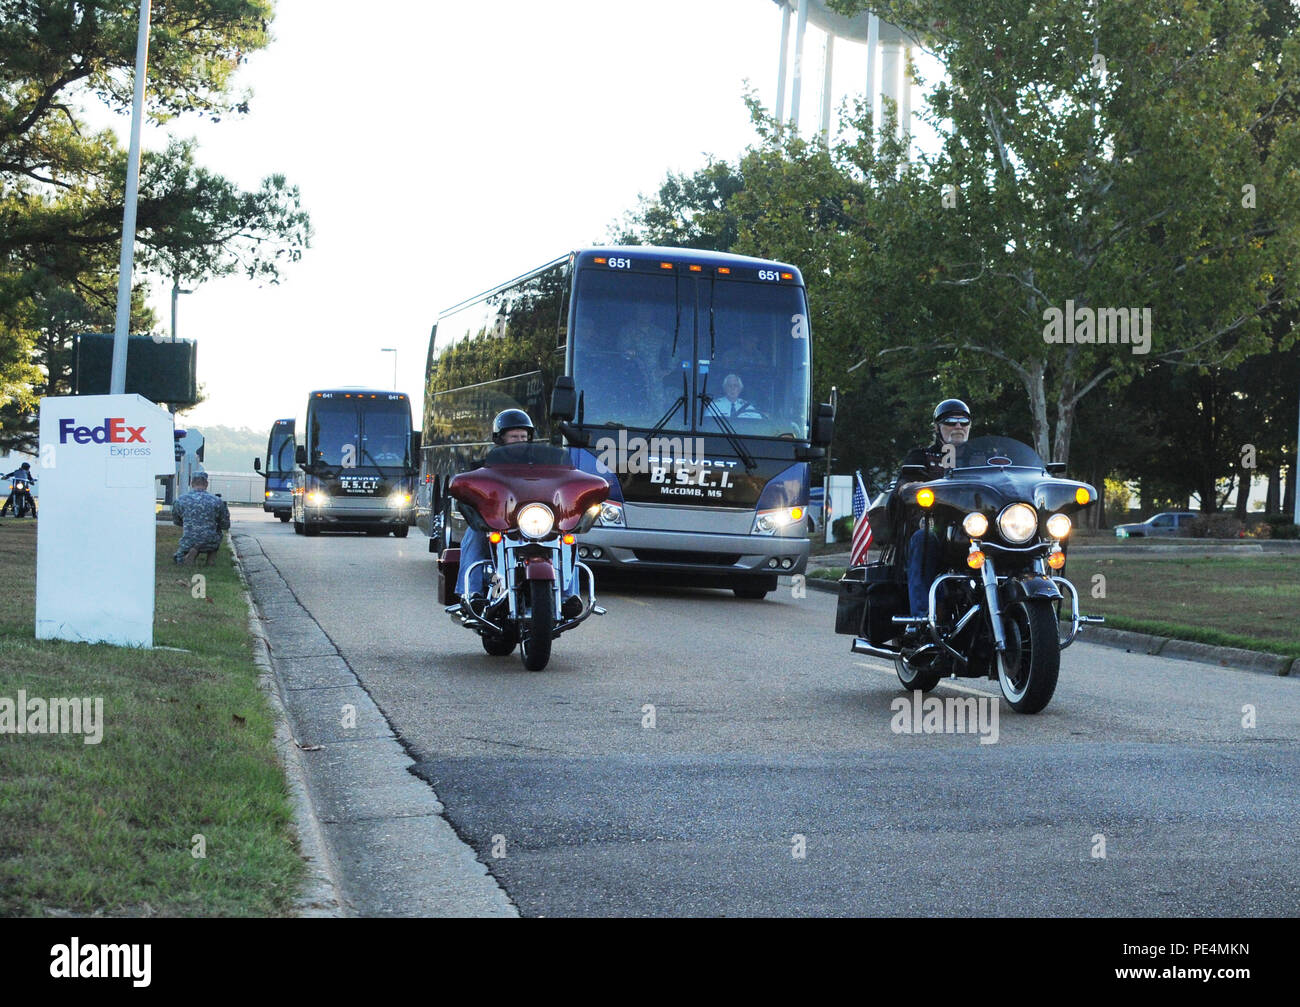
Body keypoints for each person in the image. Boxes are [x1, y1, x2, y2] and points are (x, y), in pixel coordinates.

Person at [455, 409, 582, 618]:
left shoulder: (543, 465)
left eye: (524, 436)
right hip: (501, 521)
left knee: (569, 537)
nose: (520, 440)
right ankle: (470, 593)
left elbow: (559, 482)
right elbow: (473, 488)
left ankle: (570, 596)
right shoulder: (485, 465)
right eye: (514, 436)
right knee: (474, 535)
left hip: (536, 520)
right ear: (501, 438)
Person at [900, 399, 972, 622]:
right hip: (937, 531)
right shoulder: (921, 457)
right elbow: (904, 486)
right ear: (937, 427)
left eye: (964, 421)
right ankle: (923, 620)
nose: (958, 426)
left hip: (975, 531)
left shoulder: (982, 459)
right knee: (924, 539)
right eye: (950, 421)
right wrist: (912, 488)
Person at [172, 472, 231, 564]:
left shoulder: (180, 500)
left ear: (192, 483)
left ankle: (190, 553)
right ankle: (210, 559)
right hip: (211, 541)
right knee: (217, 530)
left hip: (189, 540)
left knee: (178, 559)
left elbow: (176, 521)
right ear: (206, 484)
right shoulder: (217, 501)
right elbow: (225, 525)